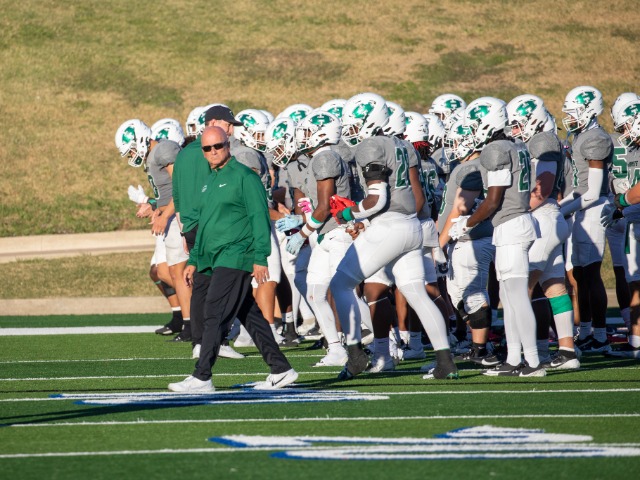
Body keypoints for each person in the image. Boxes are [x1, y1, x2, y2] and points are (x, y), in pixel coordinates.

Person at [168, 126, 297, 392]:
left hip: (236, 255)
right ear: (202, 151)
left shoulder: (244, 177)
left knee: (214, 312)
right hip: (211, 257)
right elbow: (205, 224)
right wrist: (194, 259)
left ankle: (202, 376)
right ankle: (281, 369)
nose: (214, 152)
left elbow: (259, 218)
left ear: (228, 145)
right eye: (208, 148)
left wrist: (260, 256)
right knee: (249, 314)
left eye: (219, 146)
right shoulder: (209, 181)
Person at [450, 97, 544, 377]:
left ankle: (534, 362)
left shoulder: (495, 150)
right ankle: (514, 358)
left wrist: (465, 223)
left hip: (513, 225)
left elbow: (493, 201)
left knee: (516, 296)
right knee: (509, 296)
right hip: (512, 224)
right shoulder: (514, 147)